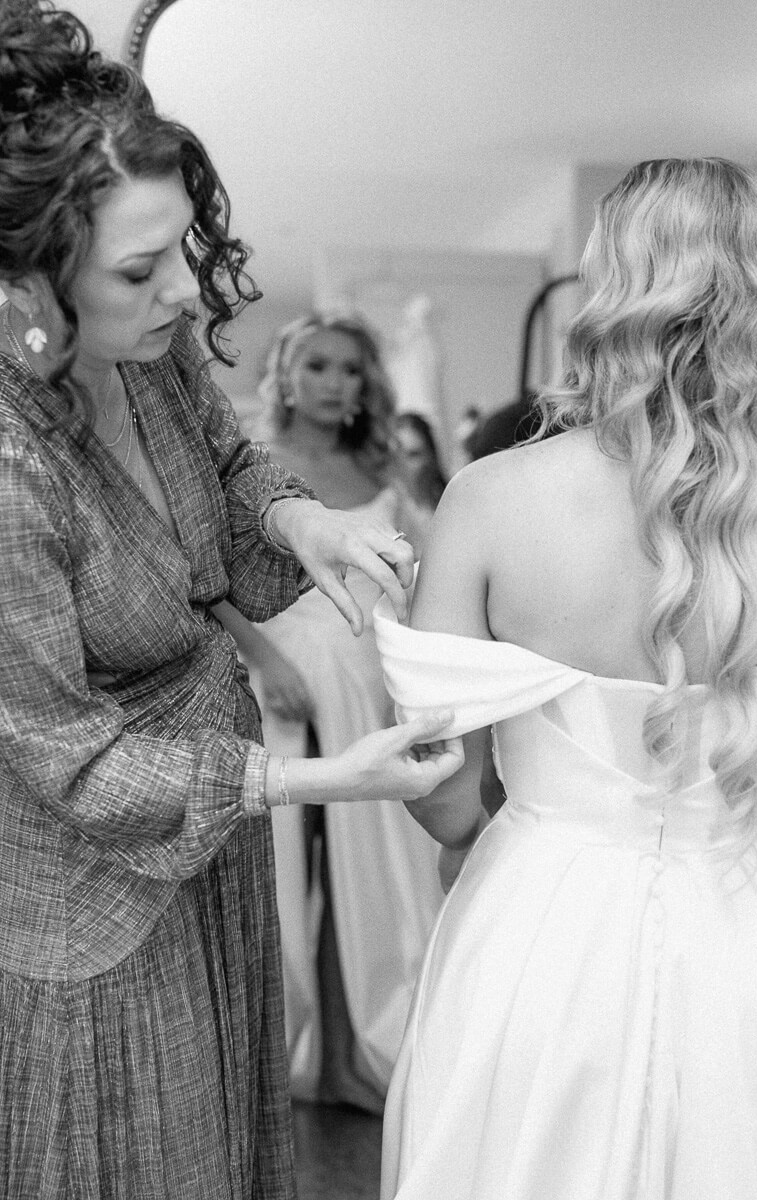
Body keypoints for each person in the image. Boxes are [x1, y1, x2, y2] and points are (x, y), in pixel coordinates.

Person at [0, 6, 463, 1199]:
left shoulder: (148, 356)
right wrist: (316, 780)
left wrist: (305, 521)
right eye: (138, 271)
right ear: (32, 274)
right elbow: (75, 765)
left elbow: (233, 464)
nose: (175, 299)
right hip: (94, 903)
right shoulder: (10, 468)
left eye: (180, 253)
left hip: (208, 851)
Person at [374, 157, 757, 1199]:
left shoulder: (489, 496)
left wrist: (493, 846)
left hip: (536, 931)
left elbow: (438, 791)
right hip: (748, 931)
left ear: (611, 288)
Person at [216, 314, 446, 1113]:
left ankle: (353, 1057)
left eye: (351, 369)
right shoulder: (251, 463)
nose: (335, 382)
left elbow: (423, 572)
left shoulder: (382, 466)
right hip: (278, 678)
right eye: (317, 364)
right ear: (287, 370)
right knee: (282, 876)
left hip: (366, 680)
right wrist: (266, 657)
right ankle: (274, 1065)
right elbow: (205, 579)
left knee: (366, 875)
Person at [393, 410, 447, 513]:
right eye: (396, 456)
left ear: (431, 457)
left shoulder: (451, 506)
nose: (402, 464)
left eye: (413, 455)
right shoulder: (387, 515)